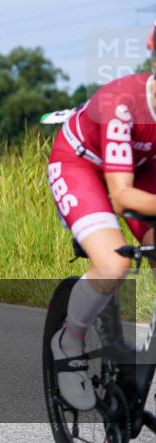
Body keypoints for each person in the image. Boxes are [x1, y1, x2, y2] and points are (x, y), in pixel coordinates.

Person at [47, 26, 156, 410]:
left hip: (143, 166)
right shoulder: (122, 102)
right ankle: (69, 341)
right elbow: (122, 194)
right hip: (82, 165)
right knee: (114, 262)